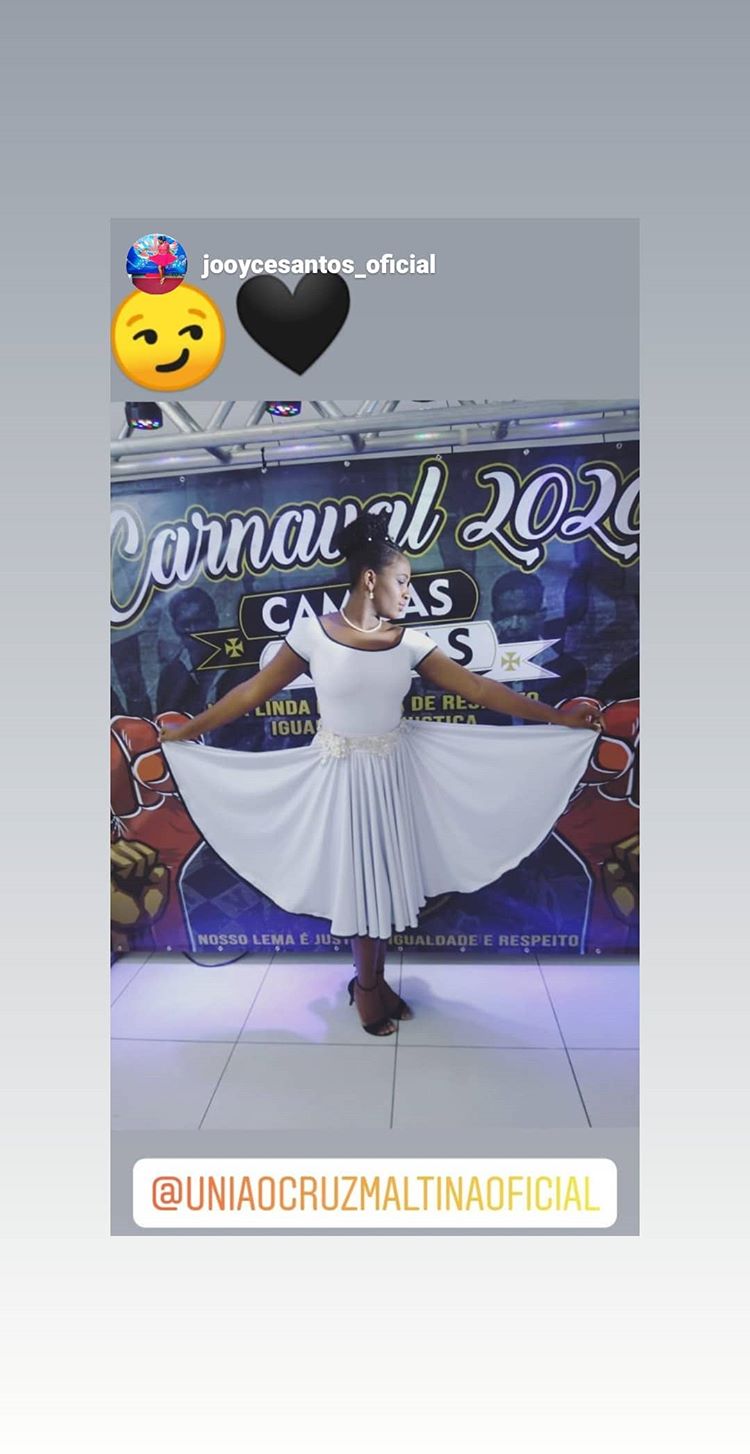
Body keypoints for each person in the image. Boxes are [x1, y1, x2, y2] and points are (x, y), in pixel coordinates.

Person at [160, 514, 602, 1037]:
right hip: (340, 779)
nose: (409, 593)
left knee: (384, 883)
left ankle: (370, 981)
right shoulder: (312, 634)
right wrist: (190, 730)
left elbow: (480, 689)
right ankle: (368, 986)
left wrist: (558, 719)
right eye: (403, 581)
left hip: (395, 775)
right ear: (371, 580)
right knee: (361, 884)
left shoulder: (409, 642)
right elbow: (252, 692)